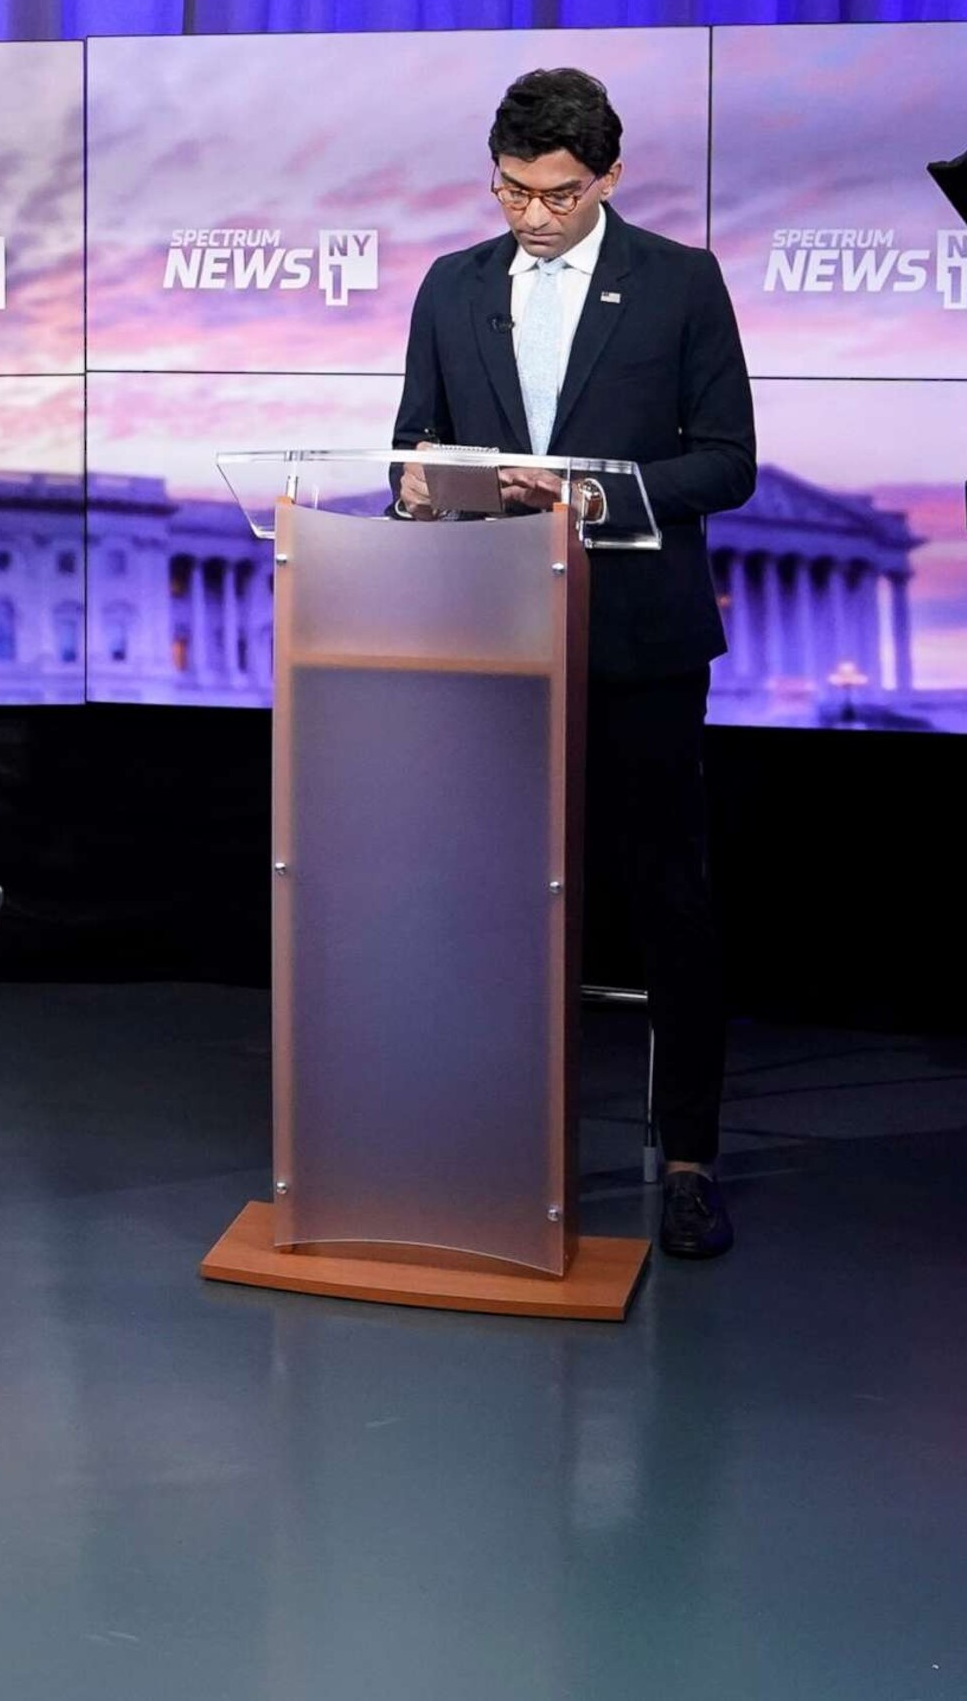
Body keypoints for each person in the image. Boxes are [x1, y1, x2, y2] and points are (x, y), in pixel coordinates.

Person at [390, 68, 757, 1258]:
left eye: (554, 195)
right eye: (510, 191)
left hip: (639, 637)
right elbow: (417, 441)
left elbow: (728, 463)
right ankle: (465, 1143)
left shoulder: (681, 283)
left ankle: (690, 1156)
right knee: (480, 895)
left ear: (606, 177)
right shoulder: (451, 286)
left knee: (669, 895)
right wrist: (414, 481)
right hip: (489, 628)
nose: (530, 216)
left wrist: (593, 491)